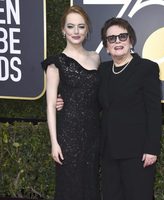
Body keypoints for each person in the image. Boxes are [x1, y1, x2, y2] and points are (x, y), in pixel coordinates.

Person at [56, 17, 162, 200]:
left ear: (131, 41)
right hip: (109, 151)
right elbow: (92, 104)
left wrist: (152, 148)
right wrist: (65, 102)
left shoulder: (146, 68)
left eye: (122, 36)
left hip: (137, 153)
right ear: (106, 46)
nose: (118, 41)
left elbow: (154, 111)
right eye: (111, 39)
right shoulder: (103, 71)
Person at [42, 5, 101, 200]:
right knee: (70, 185)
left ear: (87, 30)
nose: (76, 31)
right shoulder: (55, 63)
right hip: (68, 134)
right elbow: (50, 104)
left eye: (81, 27)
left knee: (90, 183)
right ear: (63, 30)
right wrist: (54, 143)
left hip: (93, 133)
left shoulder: (96, 58)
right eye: (71, 26)